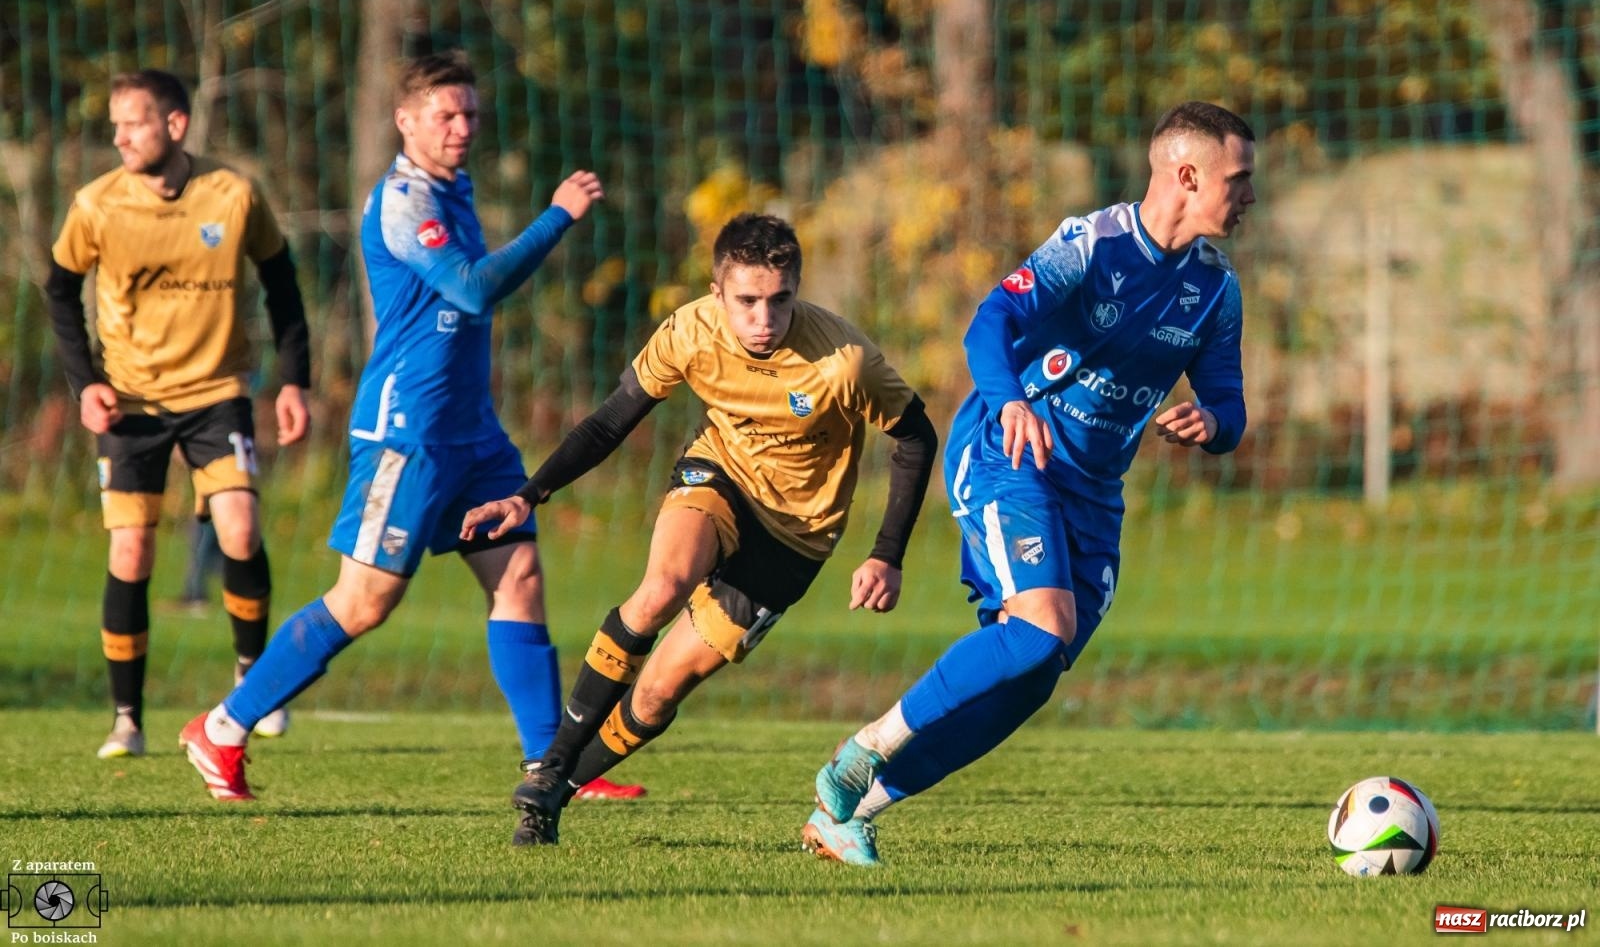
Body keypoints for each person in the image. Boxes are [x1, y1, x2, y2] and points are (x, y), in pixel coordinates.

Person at [800, 100, 1255, 866]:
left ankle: (853, 810)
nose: (1249, 197)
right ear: (1187, 175)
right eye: (1238, 180)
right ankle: (862, 748)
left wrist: (1214, 422)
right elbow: (988, 325)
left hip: (1094, 494)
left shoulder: (1216, 289)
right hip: (1011, 453)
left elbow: (1231, 401)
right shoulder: (1092, 245)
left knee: (1034, 669)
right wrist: (1012, 400)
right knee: (1042, 625)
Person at [177, 52, 639, 802]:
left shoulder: (455, 188)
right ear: (405, 120)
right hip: (408, 434)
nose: (462, 128)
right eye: (445, 115)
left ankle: (551, 767)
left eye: (470, 115)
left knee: (519, 577)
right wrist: (558, 215)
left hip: (474, 434)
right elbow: (473, 289)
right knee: (364, 602)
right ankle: (223, 726)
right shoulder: (401, 201)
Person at [460, 212, 940, 846]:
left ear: (797, 289)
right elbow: (611, 421)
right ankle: (548, 766)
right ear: (717, 294)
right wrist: (529, 495)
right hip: (720, 476)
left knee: (659, 692)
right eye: (746, 302)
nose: (763, 320)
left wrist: (887, 554)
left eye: (779, 301)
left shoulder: (843, 360)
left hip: (796, 533)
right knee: (662, 586)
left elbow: (916, 436)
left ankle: (557, 792)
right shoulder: (690, 331)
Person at [44, 68, 312, 760]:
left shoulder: (233, 192)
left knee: (241, 528)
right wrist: (85, 383)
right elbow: (58, 290)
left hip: (216, 392)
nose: (118, 136)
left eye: (132, 122)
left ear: (175, 125)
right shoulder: (97, 204)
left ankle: (253, 684)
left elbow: (281, 282)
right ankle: (127, 719)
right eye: (115, 125)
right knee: (131, 550)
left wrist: (293, 381)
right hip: (131, 402)